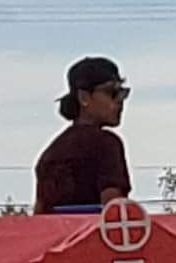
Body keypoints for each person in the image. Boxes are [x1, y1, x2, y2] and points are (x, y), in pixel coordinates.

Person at [34, 56, 131, 212]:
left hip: (58, 235)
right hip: (94, 235)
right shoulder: (106, 143)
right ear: (84, 98)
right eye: (112, 92)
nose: (120, 101)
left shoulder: (50, 154)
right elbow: (114, 212)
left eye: (123, 93)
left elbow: (39, 215)